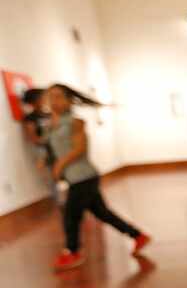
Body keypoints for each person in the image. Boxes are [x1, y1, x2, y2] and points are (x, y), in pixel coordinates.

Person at [46, 84, 150, 271]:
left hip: (83, 177)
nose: (54, 101)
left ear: (69, 100)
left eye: (58, 96)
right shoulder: (53, 124)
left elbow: (80, 148)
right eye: (50, 97)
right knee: (102, 213)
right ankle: (137, 236)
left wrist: (60, 164)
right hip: (75, 177)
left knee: (71, 215)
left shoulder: (75, 122)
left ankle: (72, 251)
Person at [22, 88, 64, 205]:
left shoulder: (49, 114)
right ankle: (61, 202)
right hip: (43, 151)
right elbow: (33, 138)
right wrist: (48, 138)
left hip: (57, 148)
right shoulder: (29, 118)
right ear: (33, 101)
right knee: (52, 176)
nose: (45, 100)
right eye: (42, 97)